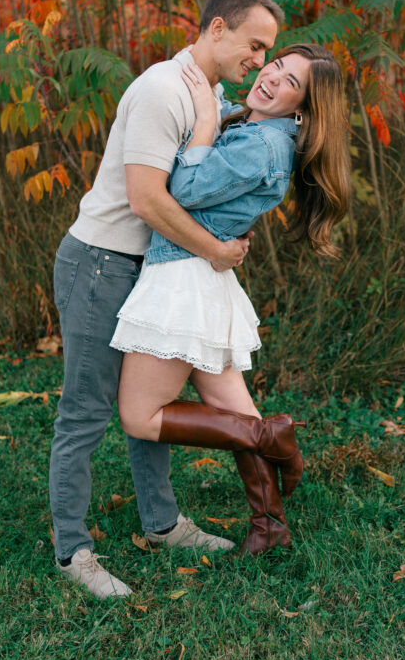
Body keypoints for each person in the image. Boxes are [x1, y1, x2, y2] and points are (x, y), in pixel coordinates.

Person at [50, 0, 284, 599]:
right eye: (255, 46)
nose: (259, 61)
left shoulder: (209, 92)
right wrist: (216, 252)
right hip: (102, 263)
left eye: (268, 52)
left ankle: (162, 525)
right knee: (87, 411)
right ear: (217, 30)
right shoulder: (161, 89)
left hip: (149, 271)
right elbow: (147, 197)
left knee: (145, 409)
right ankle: (73, 552)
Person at [113, 44, 350, 554]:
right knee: (233, 407)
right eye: (275, 65)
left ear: (303, 108)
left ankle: (270, 436)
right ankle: (270, 525)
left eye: (290, 82)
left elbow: (184, 186)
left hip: (182, 279)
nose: (270, 76)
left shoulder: (263, 145)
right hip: (202, 277)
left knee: (138, 415)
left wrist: (202, 122)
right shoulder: (250, 123)